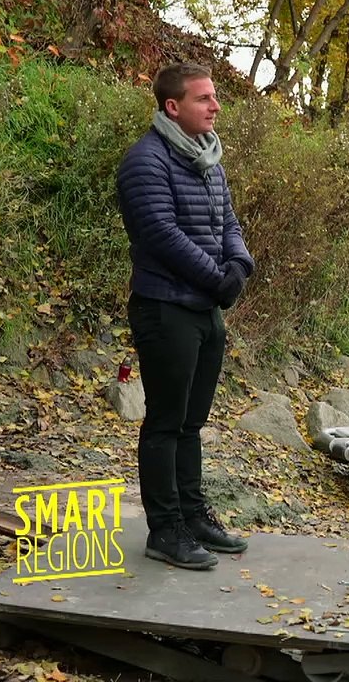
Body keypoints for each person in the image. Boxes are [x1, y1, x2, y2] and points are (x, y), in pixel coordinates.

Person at [117, 63, 254, 570]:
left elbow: (229, 222)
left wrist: (240, 265)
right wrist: (217, 280)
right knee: (165, 422)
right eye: (205, 99)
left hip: (203, 312)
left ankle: (193, 516)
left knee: (192, 424)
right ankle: (165, 530)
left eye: (214, 97)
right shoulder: (145, 161)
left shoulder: (209, 160)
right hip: (164, 307)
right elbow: (160, 233)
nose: (215, 106)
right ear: (172, 107)